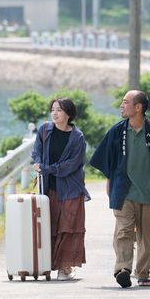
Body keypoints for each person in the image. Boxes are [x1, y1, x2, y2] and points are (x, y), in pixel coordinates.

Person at [89, 90, 150, 288]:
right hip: (124, 191)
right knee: (123, 231)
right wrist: (110, 180)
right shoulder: (117, 131)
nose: (122, 106)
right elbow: (107, 159)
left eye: (126, 102)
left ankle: (143, 273)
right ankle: (123, 269)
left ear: (138, 107)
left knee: (146, 237)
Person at [32, 98, 90, 281]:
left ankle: (64, 268)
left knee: (68, 227)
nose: (54, 113)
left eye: (59, 110)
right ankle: (50, 265)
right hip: (49, 188)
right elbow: (37, 151)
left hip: (71, 189)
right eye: (53, 109)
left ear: (68, 114)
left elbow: (72, 165)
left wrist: (48, 168)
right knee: (50, 227)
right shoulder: (45, 130)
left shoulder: (77, 137)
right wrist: (38, 163)